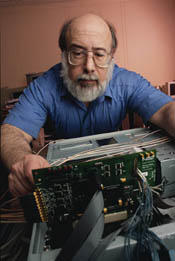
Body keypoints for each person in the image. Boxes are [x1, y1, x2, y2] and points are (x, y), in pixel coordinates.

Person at [1, 13, 175, 197]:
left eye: (100, 54)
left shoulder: (128, 82)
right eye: (77, 53)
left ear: (111, 58)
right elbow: (12, 132)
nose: (89, 66)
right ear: (63, 55)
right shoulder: (44, 87)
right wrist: (21, 159)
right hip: (68, 179)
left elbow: (166, 110)